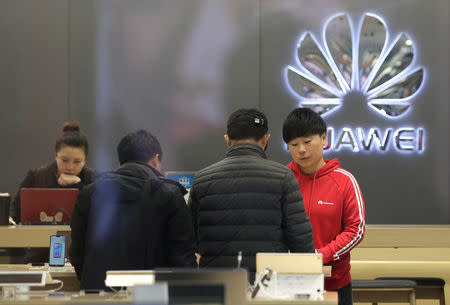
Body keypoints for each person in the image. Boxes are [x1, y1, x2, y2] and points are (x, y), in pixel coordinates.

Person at [188, 108, 315, 282]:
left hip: (216, 285)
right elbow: (301, 240)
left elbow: (191, 238)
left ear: (227, 140)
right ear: (266, 139)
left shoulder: (202, 179)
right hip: (267, 286)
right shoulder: (283, 177)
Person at [69, 129, 197, 290]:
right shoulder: (169, 194)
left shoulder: (89, 193)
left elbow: (77, 253)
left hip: (98, 293)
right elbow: (183, 257)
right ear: (156, 159)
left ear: (119, 164)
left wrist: (93, 282)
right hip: (152, 294)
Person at [282, 108, 365, 305]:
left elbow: (356, 230)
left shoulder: (345, 181)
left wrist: (321, 255)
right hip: (288, 282)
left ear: (324, 139)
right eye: (294, 144)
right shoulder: (281, 180)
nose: (301, 149)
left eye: (307, 142)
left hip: (333, 283)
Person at [9, 121, 94, 224]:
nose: (70, 167)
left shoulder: (92, 179)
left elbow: (98, 216)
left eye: (77, 162)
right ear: (56, 156)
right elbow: (15, 214)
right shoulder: (36, 177)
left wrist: (79, 185)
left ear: (85, 161)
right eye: (64, 160)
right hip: (37, 237)